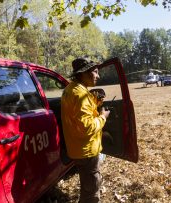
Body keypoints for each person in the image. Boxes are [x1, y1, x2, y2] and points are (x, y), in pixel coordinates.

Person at [61, 57, 110, 203]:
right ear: (83, 73)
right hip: (86, 151)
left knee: (87, 184)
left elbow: (78, 114)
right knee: (91, 192)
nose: (98, 75)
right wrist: (103, 117)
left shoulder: (71, 89)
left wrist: (95, 101)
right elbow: (87, 127)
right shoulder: (80, 94)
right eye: (95, 72)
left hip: (77, 148)